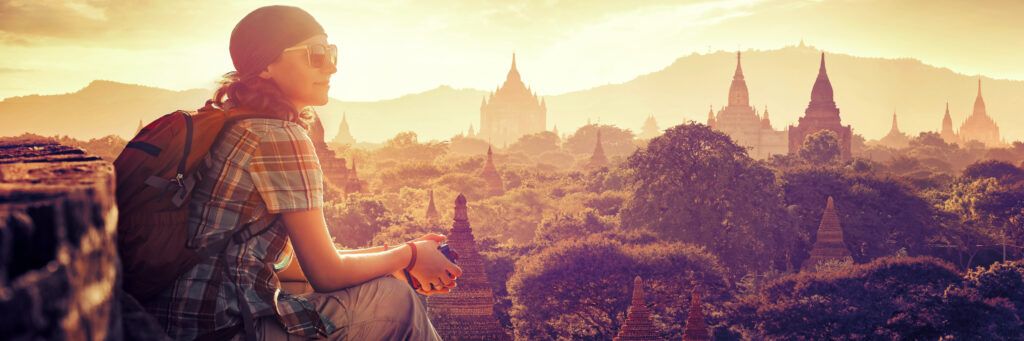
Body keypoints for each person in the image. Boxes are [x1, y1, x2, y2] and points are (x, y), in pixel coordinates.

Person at [142, 5, 461, 340]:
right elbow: (326, 273)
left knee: (351, 281)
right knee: (397, 301)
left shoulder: (233, 122)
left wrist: (400, 257)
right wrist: (410, 254)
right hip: (219, 328)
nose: (332, 67)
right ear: (265, 66)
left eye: (332, 52)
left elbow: (292, 266)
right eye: (316, 55)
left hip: (176, 320)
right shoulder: (279, 137)